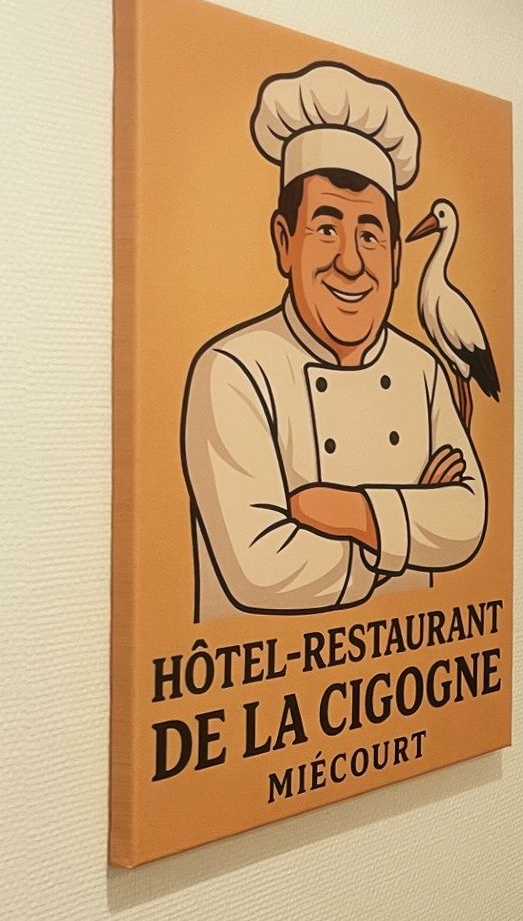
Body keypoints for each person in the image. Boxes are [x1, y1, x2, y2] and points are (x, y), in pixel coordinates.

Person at [182, 62, 487, 621]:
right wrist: (403, 525)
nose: (350, 262)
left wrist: (351, 513)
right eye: (326, 229)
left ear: (396, 255)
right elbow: (260, 569)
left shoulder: (422, 369)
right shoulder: (232, 371)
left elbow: (468, 517)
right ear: (284, 242)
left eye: (369, 234)